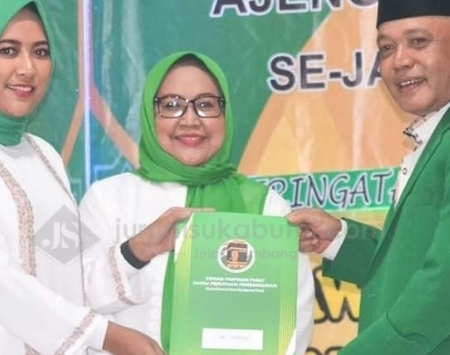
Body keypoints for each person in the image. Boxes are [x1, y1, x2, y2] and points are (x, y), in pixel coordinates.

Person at [0, 0, 164, 355]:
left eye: (40, 52)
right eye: (8, 50)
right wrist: (105, 335)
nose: (27, 68)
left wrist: (139, 249)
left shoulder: (43, 155)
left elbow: (73, 268)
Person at [288, 0, 450, 354]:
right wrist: (339, 238)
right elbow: (412, 262)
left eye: (418, 41)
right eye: (386, 48)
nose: (400, 61)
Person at [78, 51, 315, 354]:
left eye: (206, 105)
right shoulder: (106, 198)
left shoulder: (267, 207)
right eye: (172, 105)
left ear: (225, 114)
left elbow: (295, 315)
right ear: (150, 114)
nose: (190, 120)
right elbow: (73, 301)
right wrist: (134, 252)